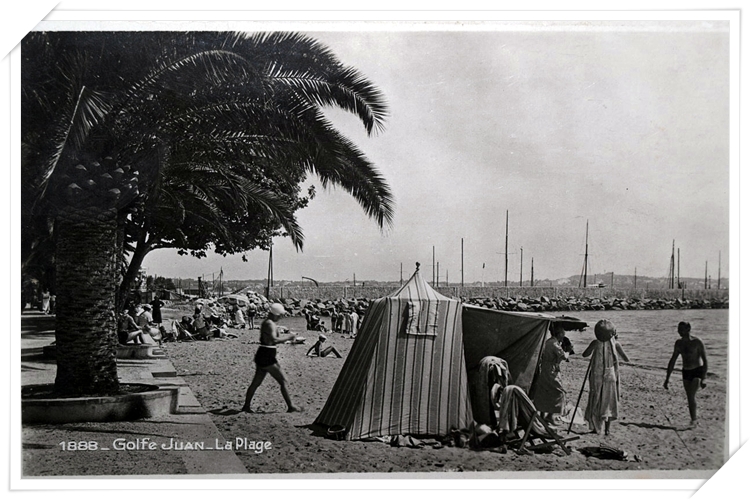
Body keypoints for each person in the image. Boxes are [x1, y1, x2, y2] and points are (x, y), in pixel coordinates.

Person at [242, 303, 302, 413]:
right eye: (280, 315)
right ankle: (291, 406)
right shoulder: (270, 324)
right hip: (267, 355)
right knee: (283, 380)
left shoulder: (268, 323)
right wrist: (289, 337)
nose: (281, 317)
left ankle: (246, 406)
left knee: (256, 383)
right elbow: (274, 340)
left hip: (264, 353)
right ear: (276, 314)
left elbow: (273, 338)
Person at [582, 320, 630, 435]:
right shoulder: (616, 344)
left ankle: (596, 427)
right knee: (609, 401)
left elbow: (585, 354)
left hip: (597, 375)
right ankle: (607, 430)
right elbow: (625, 358)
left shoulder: (595, 343)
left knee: (596, 399)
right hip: (610, 375)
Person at [664, 321, 708, 428]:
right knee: (689, 397)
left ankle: (694, 420)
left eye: (681, 329)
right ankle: (694, 419)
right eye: (678, 329)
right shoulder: (678, 343)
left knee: (691, 396)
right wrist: (667, 378)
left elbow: (705, 361)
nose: (679, 332)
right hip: (686, 372)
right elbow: (673, 361)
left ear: (688, 329)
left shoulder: (697, 342)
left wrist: (703, 378)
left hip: (697, 371)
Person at [533, 323, 569, 426]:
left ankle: (543, 415)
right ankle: (549, 416)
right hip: (551, 370)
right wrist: (568, 351)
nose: (564, 334)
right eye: (563, 332)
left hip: (545, 368)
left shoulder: (548, 342)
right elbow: (563, 356)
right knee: (557, 391)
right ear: (559, 334)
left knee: (545, 390)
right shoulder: (554, 344)